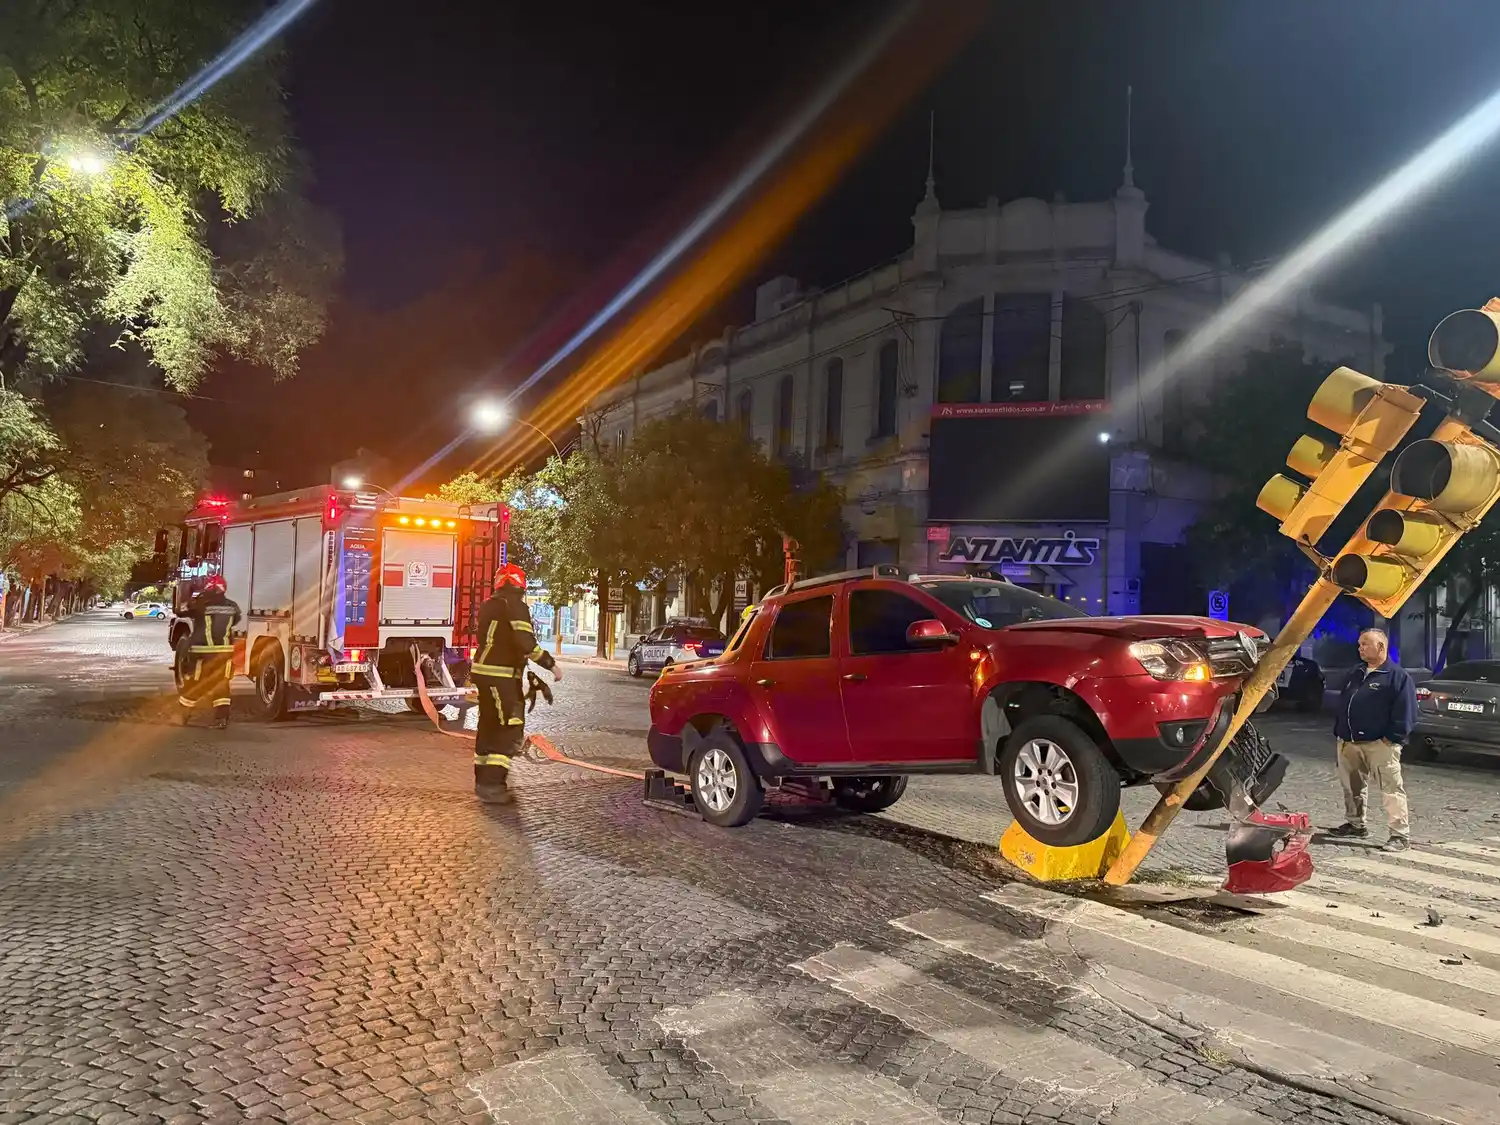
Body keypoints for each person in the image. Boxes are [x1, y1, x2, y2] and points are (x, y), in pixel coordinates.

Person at [469, 563, 562, 803]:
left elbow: (500, 640)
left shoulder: (490, 604)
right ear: (520, 583)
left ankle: (483, 780)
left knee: (489, 726)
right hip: (501, 676)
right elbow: (525, 641)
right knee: (510, 726)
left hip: (483, 672)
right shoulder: (516, 606)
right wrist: (551, 665)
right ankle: (492, 785)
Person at [1329, 628, 1416, 851]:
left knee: (1391, 789)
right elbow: (1344, 702)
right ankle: (1355, 824)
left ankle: (1399, 835)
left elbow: (1406, 712)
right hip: (1348, 742)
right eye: (1359, 644)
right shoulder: (1356, 672)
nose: (1360, 648)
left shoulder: (1397, 677)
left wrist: (1391, 738)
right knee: (1351, 787)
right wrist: (1340, 730)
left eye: (1365, 644)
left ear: (1381, 647)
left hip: (1380, 745)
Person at [179, 576, 241, 729]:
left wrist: (189, 595)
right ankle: (221, 719)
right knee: (221, 684)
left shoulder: (200, 604)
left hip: (202, 651)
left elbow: (180, 611)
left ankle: (184, 714)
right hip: (224, 652)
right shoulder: (233, 607)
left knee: (195, 682)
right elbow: (236, 620)